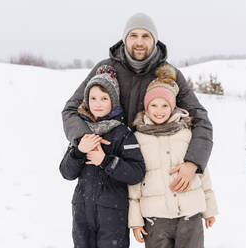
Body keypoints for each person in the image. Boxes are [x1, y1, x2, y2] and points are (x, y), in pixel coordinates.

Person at [62, 12, 213, 195]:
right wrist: (86, 140)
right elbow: (70, 109)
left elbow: (200, 119)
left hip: (151, 180)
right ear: (125, 39)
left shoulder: (169, 75)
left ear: (154, 40)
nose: (139, 42)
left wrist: (193, 162)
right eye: (133, 35)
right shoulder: (105, 69)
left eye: (145, 36)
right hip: (106, 172)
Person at [128, 64, 218, 248]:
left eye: (164, 105)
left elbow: (202, 173)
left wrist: (209, 208)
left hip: (190, 215)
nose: (159, 110)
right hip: (155, 219)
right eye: (153, 105)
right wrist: (135, 220)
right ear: (146, 107)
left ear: (173, 107)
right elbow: (134, 183)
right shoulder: (138, 137)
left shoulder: (185, 133)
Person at [59, 65, 145, 248]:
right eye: (93, 98)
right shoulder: (82, 133)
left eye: (104, 98)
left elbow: (137, 173)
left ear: (113, 101)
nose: (98, 103)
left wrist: (106, 161)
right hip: (82, 212)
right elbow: (66, 172)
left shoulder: (123, 134)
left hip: (113, 215)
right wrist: (79, 151)